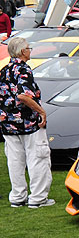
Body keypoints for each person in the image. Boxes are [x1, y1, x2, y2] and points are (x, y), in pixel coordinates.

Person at [0, 37, 54, 208]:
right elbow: (23, 95)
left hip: (7, 123)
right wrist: (41, 111)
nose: (31, 51)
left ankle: (17, 196)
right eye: (29, 48)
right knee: (37, 157)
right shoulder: (23, 69)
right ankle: (38, 198)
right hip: (28, 123)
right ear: (23, 52)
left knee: (15, 160)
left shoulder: (4, 70)